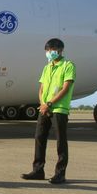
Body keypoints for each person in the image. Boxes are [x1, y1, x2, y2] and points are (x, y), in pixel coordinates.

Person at [22, 38, 76, 184]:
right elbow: (41, 88)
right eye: (47, 50)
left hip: (59, 108)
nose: (48, 53)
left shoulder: (68, 65)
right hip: (45, 108)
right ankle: (38, 170)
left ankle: (60, 173)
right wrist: (42, 103)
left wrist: (50, 103)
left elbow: (66, 88)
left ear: (59, 50)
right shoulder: (47, 67)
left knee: (60, 141)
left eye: (51, 50)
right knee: (39, 137)